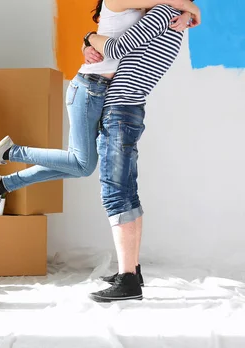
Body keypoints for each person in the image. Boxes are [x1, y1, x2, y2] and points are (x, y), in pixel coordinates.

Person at [0, 0, 198, 219]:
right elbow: (119, 45)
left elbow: (165, 11)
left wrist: (188, 12)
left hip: (98, 90)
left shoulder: (144, 9)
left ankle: (5, 182)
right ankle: (11, 153)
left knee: (82, 166)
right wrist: (191, 8)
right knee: (80, 163)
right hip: (89, 86)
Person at [83, 1, 200, 302]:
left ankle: (127, 282)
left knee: (116, 193)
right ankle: (132, 270)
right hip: (131, 108)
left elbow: (119, 48)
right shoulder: (177, 16)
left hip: (120, 109)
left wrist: (89, 37)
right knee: (128, 193)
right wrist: (190, 11)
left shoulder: (163, 13)